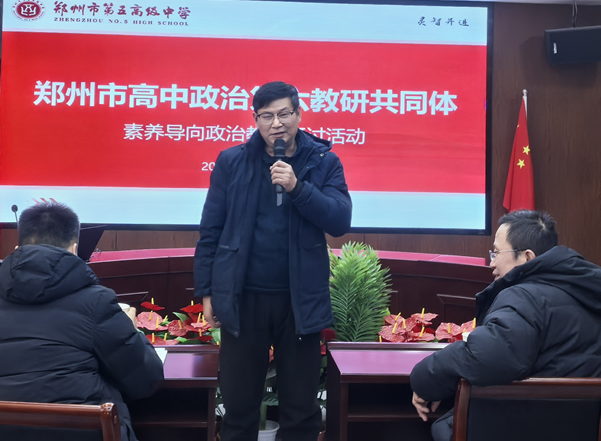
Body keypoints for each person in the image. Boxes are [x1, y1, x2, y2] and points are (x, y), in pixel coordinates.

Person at [194, 81, 352, 441]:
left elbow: (340, 220)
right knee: (238, 409)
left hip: (299, 302)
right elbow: (210, 231)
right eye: (267, 116)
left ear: (299, 114)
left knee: (300, 411)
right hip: (243, 299)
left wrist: (298, 188)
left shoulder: (323, 161)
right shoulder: (232, 161)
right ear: (255, 119)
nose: (276, 123)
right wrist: (207, 291)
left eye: (284, 114)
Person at [410, 209, 601, 441]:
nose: (491, 262)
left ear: (527, 257)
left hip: (526, 426)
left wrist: (425, 379)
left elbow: (490, 356)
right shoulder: (588, 292)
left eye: (497, 252)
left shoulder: (524, 296)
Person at [0, 202, 164, 441]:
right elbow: (145, 381)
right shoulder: (97, 302)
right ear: (74, 249)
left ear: (16, 249)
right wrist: (131, 330)